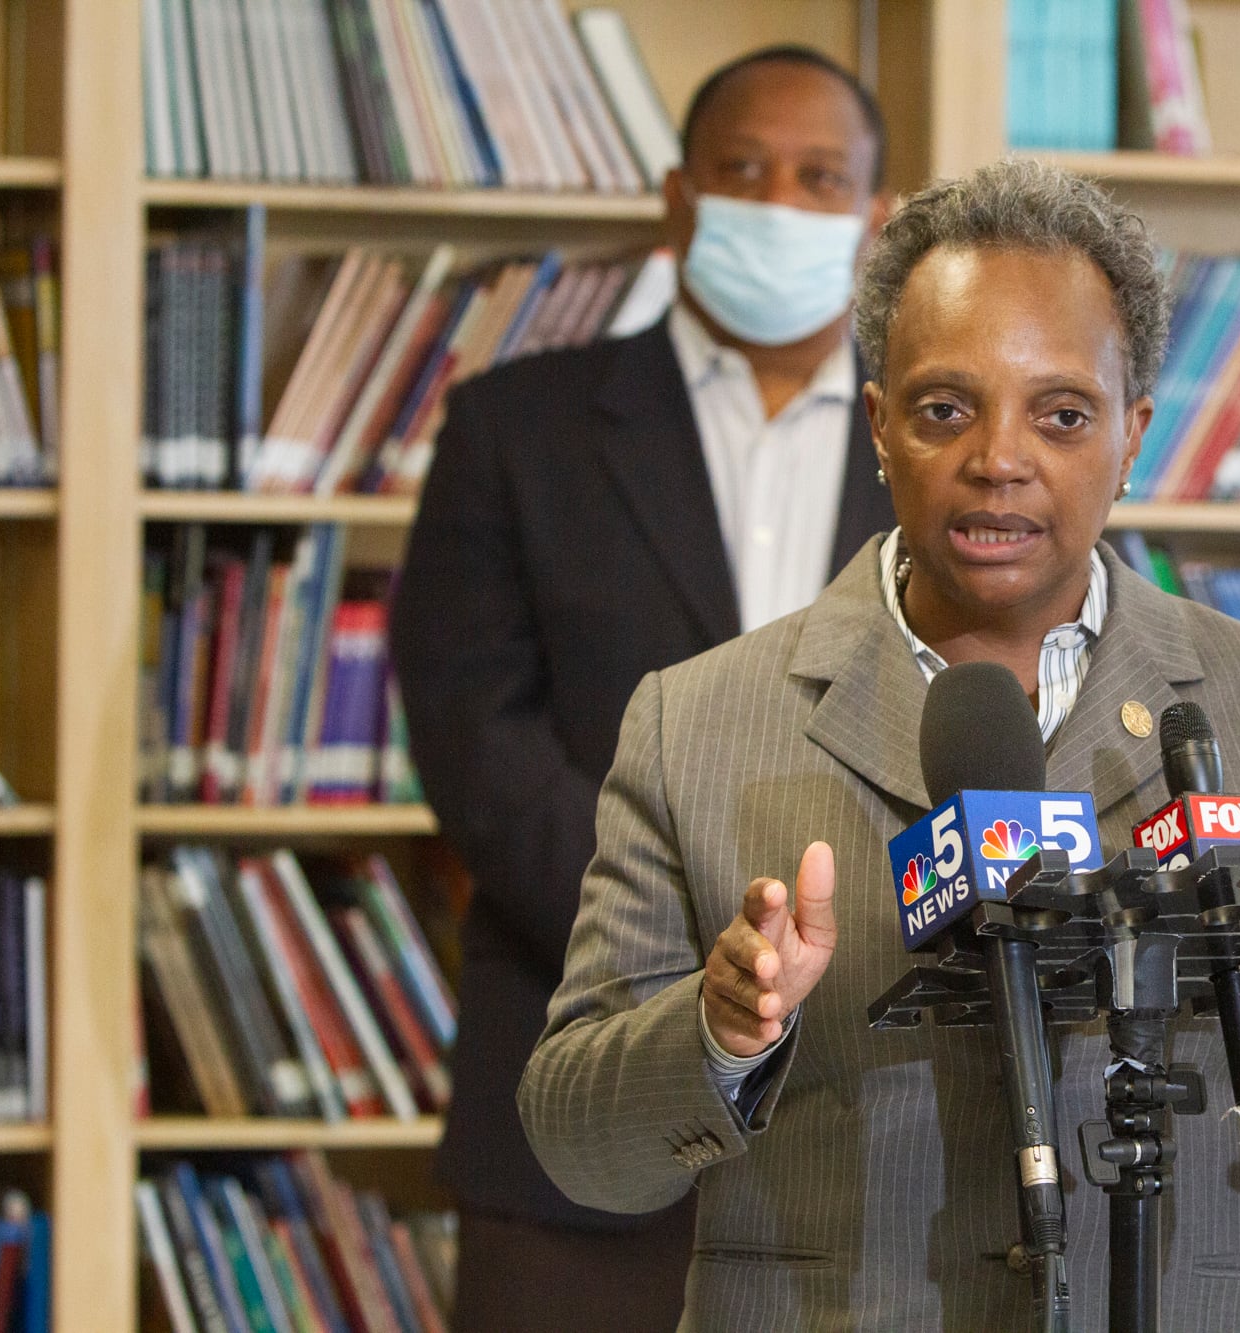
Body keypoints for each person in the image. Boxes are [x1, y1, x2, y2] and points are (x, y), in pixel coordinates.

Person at [519, 159, 1240, 1329]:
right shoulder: (693, 720)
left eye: (1060, 414)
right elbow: (577, 1142)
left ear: (1131, 435)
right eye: (944, 408)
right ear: (880, 429)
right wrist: (716, 1030)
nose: (999, 456)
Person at [388, 46, 898, 1333]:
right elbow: (473, 739)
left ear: (877, 220)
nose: (779, 203)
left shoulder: (943, 452)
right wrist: (686, 954)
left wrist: (835, 966)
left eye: (819, 176)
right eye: (742, 171)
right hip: (577, 1097)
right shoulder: (515, 429)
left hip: (886, 1117)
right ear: (678, 200)